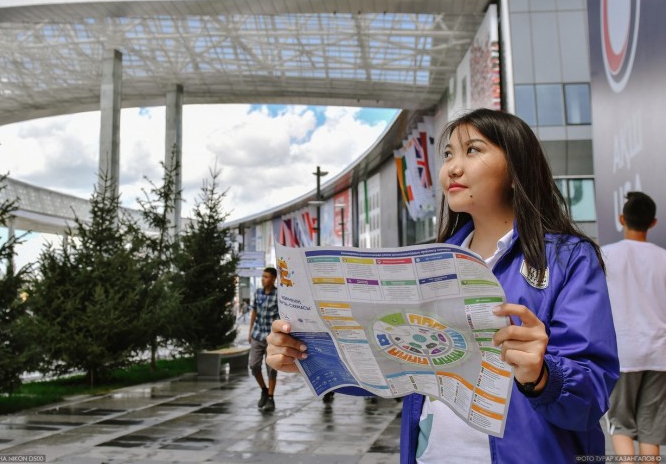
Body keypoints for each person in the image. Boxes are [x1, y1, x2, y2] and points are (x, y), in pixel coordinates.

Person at [266, 108, 619, 463]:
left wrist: (542, 376)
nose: (452, 167)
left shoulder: (568, 259)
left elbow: (592, 394)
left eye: (473, 150)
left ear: (516, 170)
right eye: (448, 154)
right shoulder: (429, 264)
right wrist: (308, 357)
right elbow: (396, 370)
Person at [602, 191, 666, 457]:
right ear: (653, 222)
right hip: (660, 354)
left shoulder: (605, 255)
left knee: (621, 425)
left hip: (623, 353)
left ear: (621, 219)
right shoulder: (663, 258)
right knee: (651, 431)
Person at [249, 267, 279, 412]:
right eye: (262, 276)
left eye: (266, 277)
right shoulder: (258, 293)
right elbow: (254, 311)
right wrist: (250, 331)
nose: (263, 279)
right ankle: (264, 390)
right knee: (253, 365)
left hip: (271, 338)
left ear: (273, 279)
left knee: (271, 369)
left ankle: (271, 398)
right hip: (257, 334)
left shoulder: (278, 295)